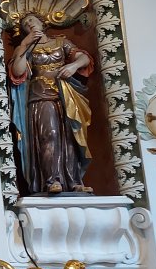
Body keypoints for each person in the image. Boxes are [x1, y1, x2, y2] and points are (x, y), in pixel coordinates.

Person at [9, 14, 93, 195]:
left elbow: (84, 58)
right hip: (40, 97)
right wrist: (24, 45)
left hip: (65, 94)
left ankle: (73, 181)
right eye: (25, 24)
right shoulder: (25, 48)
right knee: (50, 135)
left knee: (70, 137)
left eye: (32, 20)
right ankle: (51, 180)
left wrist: (73, 66)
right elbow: (18, 71)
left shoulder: (60, 42)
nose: (29, 24)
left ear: (42, 22)